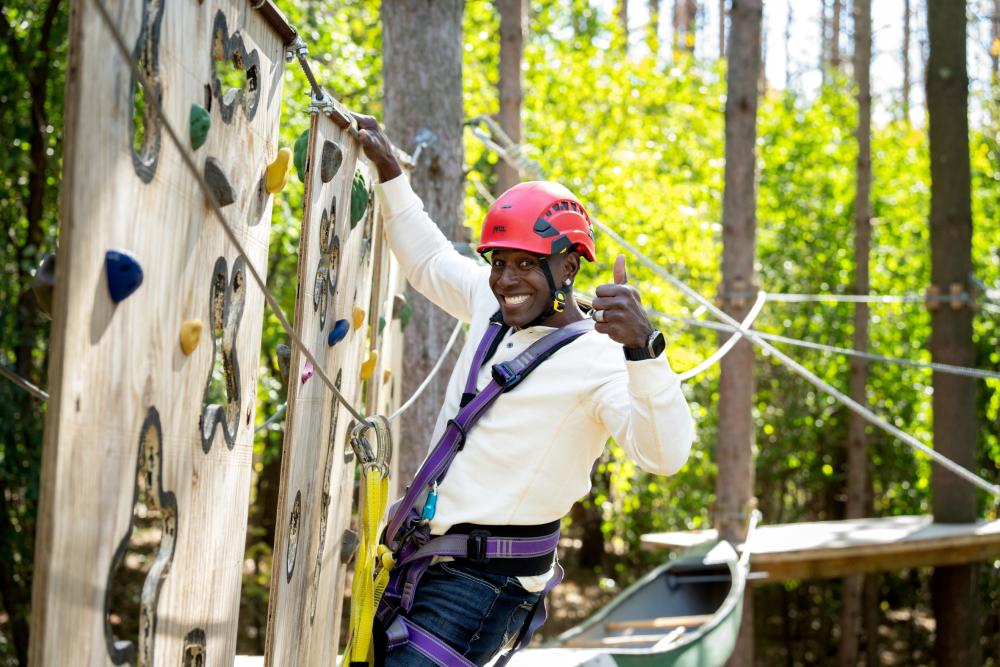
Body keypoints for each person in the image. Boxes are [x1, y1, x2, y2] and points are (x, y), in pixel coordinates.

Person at [353, 114, 695, 667]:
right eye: (499, 263)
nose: (507, 280)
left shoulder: (600, 359)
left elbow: (664, 455)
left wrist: (644, 352)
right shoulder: (493, 309)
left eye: (526, 266)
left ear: (568, 265)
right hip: (426, 557)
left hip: (486, 583)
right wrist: (391, 173)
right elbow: (430, 261)